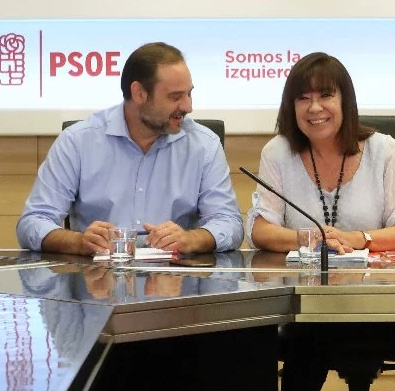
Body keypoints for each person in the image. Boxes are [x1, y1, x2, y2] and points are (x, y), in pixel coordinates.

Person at [247, 51, 395, 391]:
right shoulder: (277, 152)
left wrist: (359, 240)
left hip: (382, 304)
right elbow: (260, 229)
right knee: (305, 341)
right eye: (303, 98)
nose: (315, 108)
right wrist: (313, 237)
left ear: (345, 101)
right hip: (314, 307)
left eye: (325, 96)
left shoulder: (382, 149)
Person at [17, 42, 243, 255]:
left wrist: (192, 239)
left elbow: (229, 223)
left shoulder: (204, 144)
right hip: (97, 286)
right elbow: (33, 222)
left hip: (177, 282)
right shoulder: (78, 141)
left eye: (189, 93)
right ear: (139, 93)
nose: (188, 106)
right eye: (175, 96)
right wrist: (79, 242)